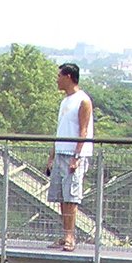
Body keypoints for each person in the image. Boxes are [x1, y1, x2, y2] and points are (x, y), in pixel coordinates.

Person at [47, 62, 93, 252]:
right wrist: (52, 155)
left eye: (59, 76)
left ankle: (70, 237)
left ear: (68, 77)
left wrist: (77, 156)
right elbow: (60, 130)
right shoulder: (65, 101)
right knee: (61, 197)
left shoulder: (83, 100)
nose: (57, 79)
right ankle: (65, 233)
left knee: (71, 197)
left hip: (74, 155)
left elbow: (83, 130)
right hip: (60, 152)